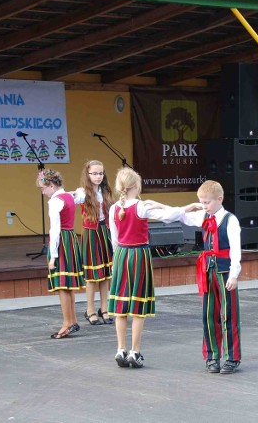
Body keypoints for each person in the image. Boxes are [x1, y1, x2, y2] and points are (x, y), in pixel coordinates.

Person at [108, 167, 196, 368]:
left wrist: (115, 260)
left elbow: (114, 239)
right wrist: (188, 207)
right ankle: (135, 351)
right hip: (139, 255)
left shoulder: (113, 209)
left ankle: (120, 349)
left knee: (121, 304)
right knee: (138, 305)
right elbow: (169, 216)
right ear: (136, 186)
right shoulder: (141, 206)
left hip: (121, 254)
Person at [180, 181, 242, 375]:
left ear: (219, 200)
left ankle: (232, 357)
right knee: (208, 314)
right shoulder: (203, 216)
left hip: (224, 271)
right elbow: (178, 215)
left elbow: (236, 250)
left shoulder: (230, 220)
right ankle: (212, 355)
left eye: (207, 202)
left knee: (229, 315)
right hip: (208, 270)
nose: (204, 206)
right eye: (202, 202)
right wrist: (190, 206)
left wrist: (234, 274)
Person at [37, 169, 84, 339]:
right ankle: (72, 320)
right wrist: (71, 192)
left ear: (51, 185)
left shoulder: (55, 202)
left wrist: (53, 255)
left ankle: (67, 323)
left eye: (44, 188)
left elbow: (55, 230)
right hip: (71, 238)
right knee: (68, 285)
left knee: (62, 285)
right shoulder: (70, 197)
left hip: (62, 241)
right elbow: (82, 193)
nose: (43, 192)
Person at [72, 160, 114, 326]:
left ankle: (104, 308)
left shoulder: (105, 191)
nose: (98, 176)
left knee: (105, 274)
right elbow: (72, 198)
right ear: (87, 175)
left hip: (105, 231)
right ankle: (89, 309)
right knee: (92, 276)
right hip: (91, 233)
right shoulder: (83, 192)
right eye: (94, 173)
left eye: (100, 173)